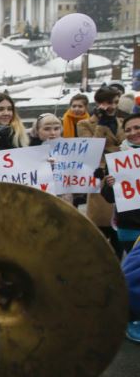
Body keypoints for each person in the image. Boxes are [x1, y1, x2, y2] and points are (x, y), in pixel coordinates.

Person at [77, 86, 126, 258]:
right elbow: (92, 150)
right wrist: (102, 126)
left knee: (120, 230)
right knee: (100, 230)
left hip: (121, 175)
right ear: (98, 104)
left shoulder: (122, 122)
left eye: (115, 102)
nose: (112, 106)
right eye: (108, 102)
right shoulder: (84, 124)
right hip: (100, 176)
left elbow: (125, 144)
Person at [101, 113, 140, 257]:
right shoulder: (118, 159)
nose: (133, 132)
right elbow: (109, 197)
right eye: (128, 130)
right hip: (129, 228)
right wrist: (110, 185)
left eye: (137, 127)